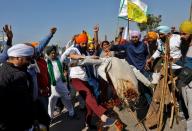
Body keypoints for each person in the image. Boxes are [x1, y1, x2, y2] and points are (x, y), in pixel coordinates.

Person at [64, 32, 117, 128]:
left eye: (85, 43)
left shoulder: (87, 52)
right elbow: (72, 56)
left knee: (90, 105)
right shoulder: (75, 49)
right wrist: (85, 57)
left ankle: (88, 123)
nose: (84, 45)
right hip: (75, 79)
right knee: (88, 93)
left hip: (85, 79)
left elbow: (94, 52)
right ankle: (103, 117)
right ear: (79, 43)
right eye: (82, 43)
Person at [0, 44, 34, 131]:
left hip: (26, 122)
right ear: (18, 58)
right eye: (28, 59)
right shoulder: (4, 75)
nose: (30, 62)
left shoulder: (22, 70)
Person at [46, 45, 76, 120]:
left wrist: (73, 42)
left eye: (54, 53)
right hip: (52, 86)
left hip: (62, 84)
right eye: (51, 53)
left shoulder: (59, 59)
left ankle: (71, 113)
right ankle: (50, 117)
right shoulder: (46, 62)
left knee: (67, 98)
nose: (53, 54)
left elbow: (66, 52)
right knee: (51, 102)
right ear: (48, 54)